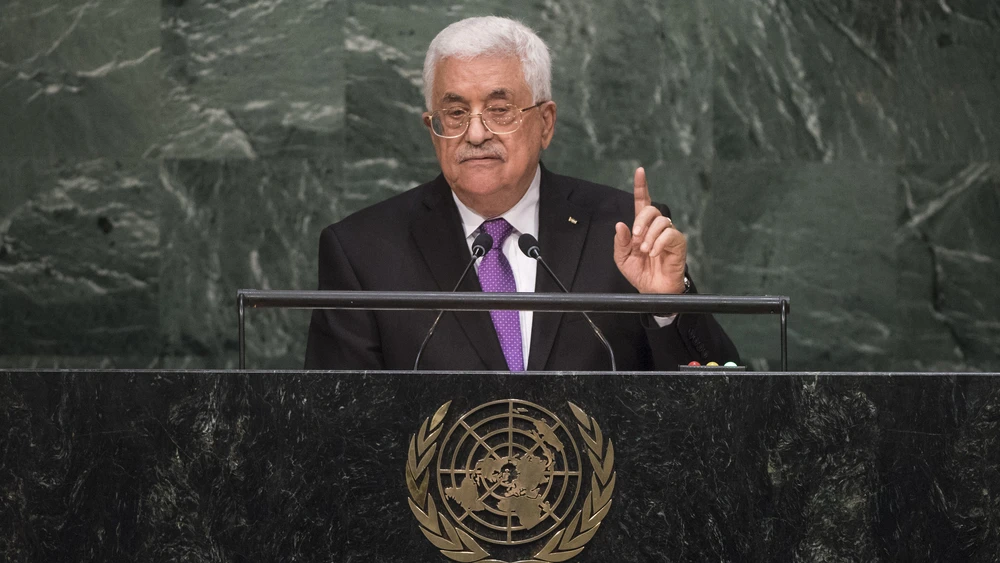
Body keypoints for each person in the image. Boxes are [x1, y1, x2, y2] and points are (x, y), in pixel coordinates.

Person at [304, 16, 738, 371]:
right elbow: (337, 430)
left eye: (499, 110)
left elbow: (722, 405)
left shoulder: (623, 231)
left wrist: (669, 305)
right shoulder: (363, 252)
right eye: (454, 113)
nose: (475, 133)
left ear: (545, 123)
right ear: (432, 130)